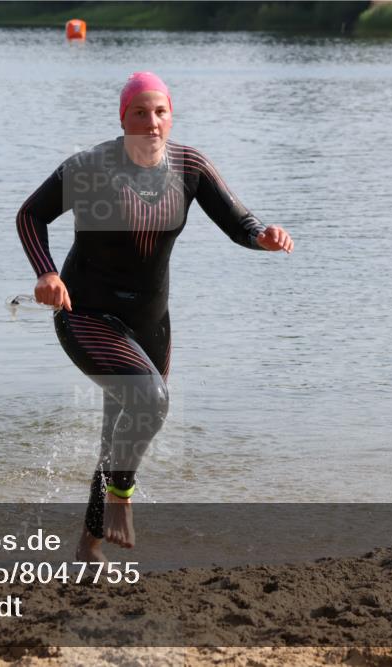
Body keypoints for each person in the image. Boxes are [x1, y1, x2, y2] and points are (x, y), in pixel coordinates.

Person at [16, 72, 293, 562]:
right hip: (86, 314)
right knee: (151, 401)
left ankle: (88, 549)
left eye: (160, 112)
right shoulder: (91, 167)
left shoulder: (189, 167)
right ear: (123, 119)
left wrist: (262, 237)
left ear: (171, 116)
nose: (151, 122)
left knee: (120, 434)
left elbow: (239, 223)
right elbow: (30, 215)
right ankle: (122, 497)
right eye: (140, 113)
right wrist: (46, 273)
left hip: (150, 323)